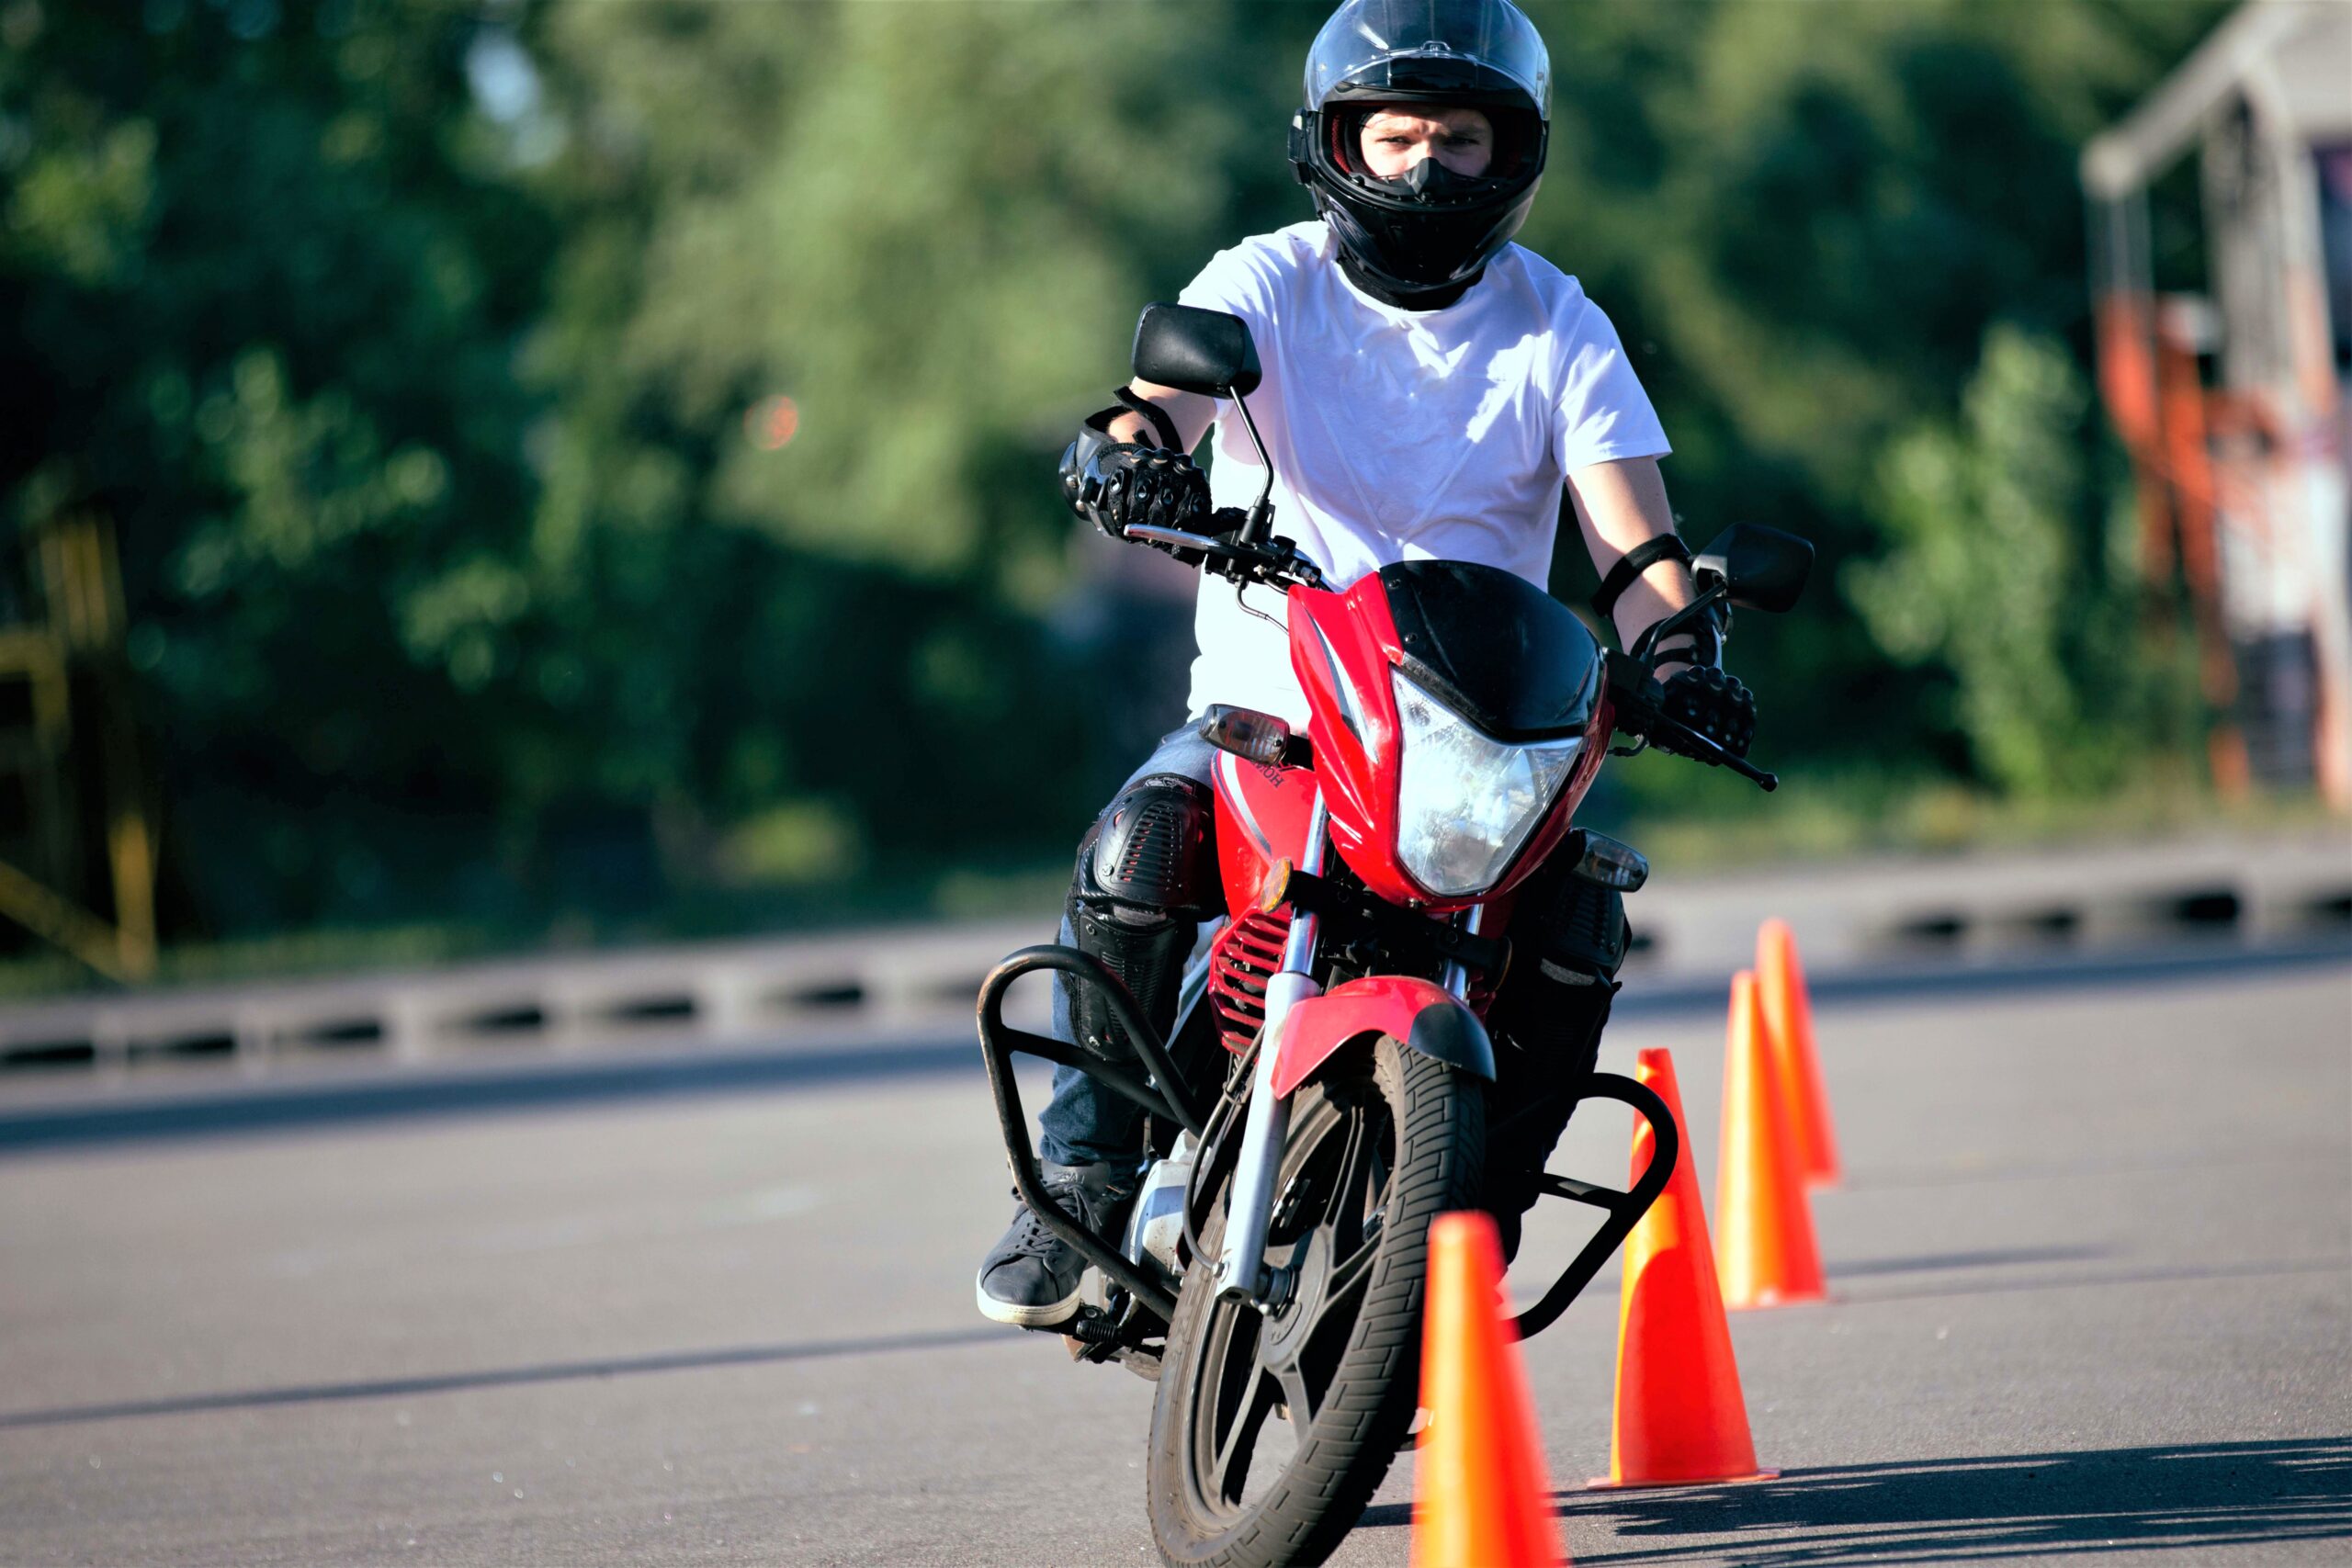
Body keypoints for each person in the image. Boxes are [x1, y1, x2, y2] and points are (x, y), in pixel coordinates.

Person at [977, 0, 1757, 1329]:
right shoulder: (1267, 282)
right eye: (1394, 134)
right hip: (1271, 709)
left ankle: (1470, 1233)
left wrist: (1680, 653)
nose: (1424, 167)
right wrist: (1122, 449)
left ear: (1513, 152)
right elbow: (1154, 401)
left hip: (1480, 740)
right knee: (1141, 844)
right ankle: (1087, 1173)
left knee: (1581, 924)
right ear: (1333, 140)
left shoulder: (1561, 326)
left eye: (1460, 138)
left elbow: (1636, 548)